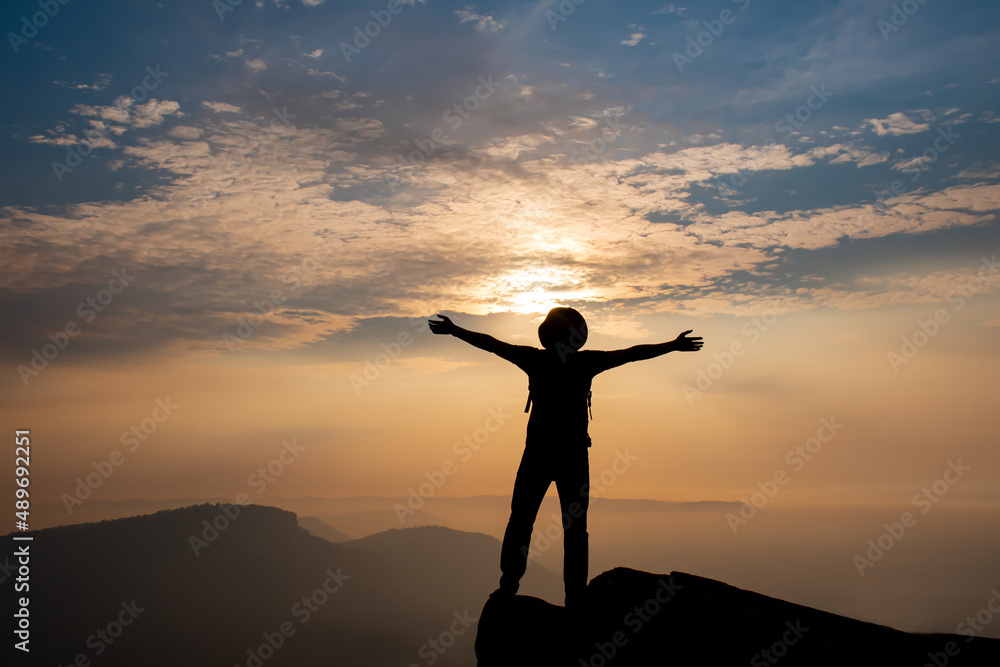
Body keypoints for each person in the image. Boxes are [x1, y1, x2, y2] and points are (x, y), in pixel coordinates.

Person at [428, 307, 703, 608]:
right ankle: (574, 598)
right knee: (574, 529)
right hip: (573, 457)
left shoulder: (535, 359)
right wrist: (672, 345)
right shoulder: (586, 363)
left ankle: (509, 586)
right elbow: (632, 353)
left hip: (537, 455)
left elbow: (493, 345)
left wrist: (456, 330)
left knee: (521, 520)